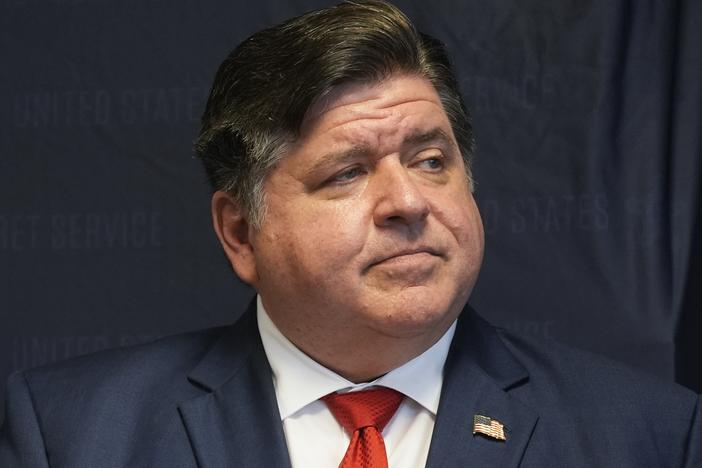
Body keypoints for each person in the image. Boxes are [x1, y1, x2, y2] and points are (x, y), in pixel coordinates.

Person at [1, 1, 700, 467]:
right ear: (241, 232)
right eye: (346, 173)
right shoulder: (70, 436)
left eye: (431, 161)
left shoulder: (650, 436)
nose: (408, 201)